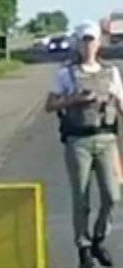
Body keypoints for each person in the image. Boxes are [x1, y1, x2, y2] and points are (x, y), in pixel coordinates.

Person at [46, 20, 123, 268]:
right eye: (84, 40)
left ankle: (99, 238)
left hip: (106, 139)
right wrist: (74, 99)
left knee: (112, 196)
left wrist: (114, 99)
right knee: (81, 198)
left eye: (92, 40)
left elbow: (121, 105)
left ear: (99, 43)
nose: (88, 45)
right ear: (78, 44)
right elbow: (50, 105)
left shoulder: (111, 72)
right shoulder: (66, 73)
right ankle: (84, 247)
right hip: (78, 140)